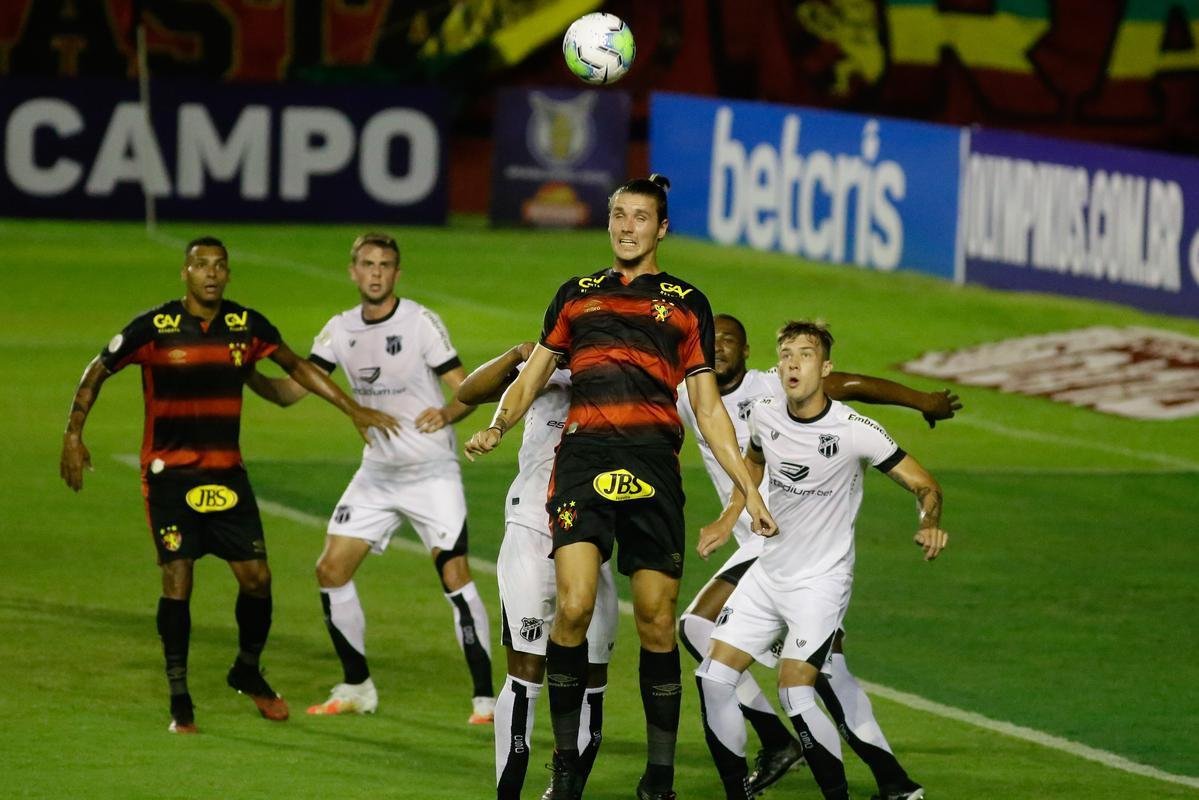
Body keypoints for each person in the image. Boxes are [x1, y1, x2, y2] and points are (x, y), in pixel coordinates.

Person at [464, 175, 777, 800]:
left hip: (655, 468)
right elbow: (531, 377)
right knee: (573, 608)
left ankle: (658, 778)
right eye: (618, 215)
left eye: (639, 217)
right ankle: (565, 768)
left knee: (659, 622)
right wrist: (499, 424)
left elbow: (709, 409)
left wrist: (751, 491)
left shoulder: (688, 302)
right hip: (583, 462)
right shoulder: (576, 296)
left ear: (661, 229)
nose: (626, 227)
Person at [59, 236, 400, 734]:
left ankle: (246, 668)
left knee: (258, 579)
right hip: (170, 477)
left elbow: (297, 367)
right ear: (186, 273)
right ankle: (180, 699)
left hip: (227, 477)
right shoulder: (156, 328)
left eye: (220, 266)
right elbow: (98, 368)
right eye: (201, 265)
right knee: (178, 577)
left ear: (228, 274)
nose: (211, 274)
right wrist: (73, 432)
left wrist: (351, 407)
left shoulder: (246, 325)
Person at [678, 314, 959, 797]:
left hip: (815, 573)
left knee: (794, 681)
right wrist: (730, 516)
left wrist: (928, 519)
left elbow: (919, 476)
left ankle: (805, 757)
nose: (792, 365)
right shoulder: (741, 407)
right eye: (787, 355)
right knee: (727, 671)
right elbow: (753, 461)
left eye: (804, 357)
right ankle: (893, 783)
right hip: (767, 555)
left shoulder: (842, 424)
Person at [247, 232, 495, 724]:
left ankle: (487, 699)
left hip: (431, 473)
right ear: (353, 271)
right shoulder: (339, 331)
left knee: (454, 575)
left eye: (385, 264)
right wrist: (240, 370)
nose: (376, 272)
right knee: (330, 570)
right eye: (367, 263)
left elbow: (470, 387)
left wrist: (449, 414)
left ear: (396, 274)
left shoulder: (421, 322)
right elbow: (286, 393)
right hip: (377, 475)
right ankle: (357, 685)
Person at [456, 343, 620, 800]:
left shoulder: (624, 378)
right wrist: (516, 356)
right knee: (526, 673)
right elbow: (470, 392)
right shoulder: (546, 371)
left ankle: (563, 794)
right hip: (532, 528)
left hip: (591, 541)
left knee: (593, 678)